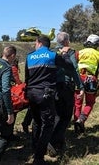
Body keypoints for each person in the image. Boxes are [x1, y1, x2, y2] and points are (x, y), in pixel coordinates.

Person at [25, 35, 74, 165]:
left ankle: (34, 148)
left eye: (35, 43)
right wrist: (65, 54)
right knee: (48, 124)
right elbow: (69, 66)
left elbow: (27, 78)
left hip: (31, 93)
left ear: (40, 43)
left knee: (36, 122)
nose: (35, 45)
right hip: (45, 94)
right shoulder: (52, 56)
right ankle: (39, 157)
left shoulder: (29, 56)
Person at [48, 32, 84, 155]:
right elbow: (73, 69)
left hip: (53, 87)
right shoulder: (69, 52)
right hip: (66, 86)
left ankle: (59, 142)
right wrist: (80, 86)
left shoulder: (52, 52)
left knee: (57, 115)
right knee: (66, 116)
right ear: (67, 41)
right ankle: (52, 141)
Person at [74, 34, 99, 133]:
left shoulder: (79, 52)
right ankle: (82, 119)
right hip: (91, 79)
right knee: (90, 102)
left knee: (77, 103)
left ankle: (76, 123)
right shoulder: (97, 54)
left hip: (78, 78)